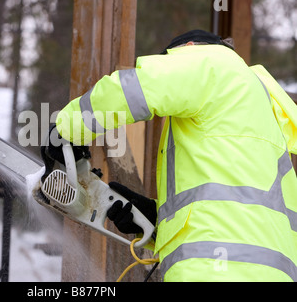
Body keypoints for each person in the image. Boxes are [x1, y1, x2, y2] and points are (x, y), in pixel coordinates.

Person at [44, 29, 297, 282]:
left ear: (188, 47)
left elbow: (136, 89)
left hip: (213, 270)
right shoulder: (262, 115)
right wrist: (158, 219)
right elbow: (236, 205)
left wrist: (67, 129)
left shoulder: (211, 63)